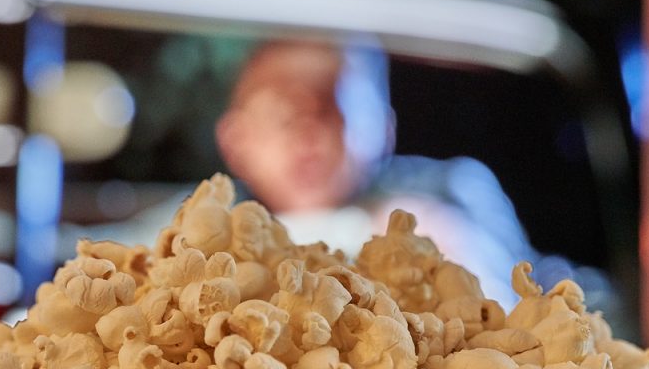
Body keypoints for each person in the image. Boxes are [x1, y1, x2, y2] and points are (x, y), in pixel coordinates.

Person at [213, 38, 544, 308]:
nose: (308, 131)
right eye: (281, 110)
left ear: (384, 130)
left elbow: (503, 324)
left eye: (334, 103)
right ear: (235, 140)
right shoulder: (197, 231)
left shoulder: (449, 195)